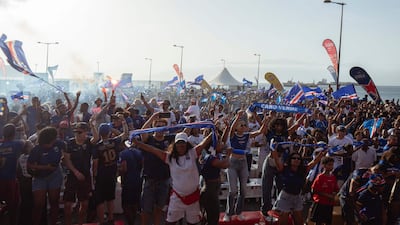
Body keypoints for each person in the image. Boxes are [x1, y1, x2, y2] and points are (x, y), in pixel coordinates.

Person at [130, 132, 212, 225]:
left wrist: (213, 131)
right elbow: (152, 149)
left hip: (193, 198)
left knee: (193, 223)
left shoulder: (193, 153)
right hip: (177, 198)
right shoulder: (170, 157)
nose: (181, 145)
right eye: (179, 143)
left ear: (187, 144)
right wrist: (137, 142)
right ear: (175, 144)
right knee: (170, 222)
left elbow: (204, 143)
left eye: (183, 143)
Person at [223, 110, 267, 221]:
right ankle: (228, 213)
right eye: (241, 125)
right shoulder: (233, 135)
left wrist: (264, 120)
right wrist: (238, 117)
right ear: (237, 127)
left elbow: (261, 131)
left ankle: (239, 212)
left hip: (243, 163)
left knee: (243, 190)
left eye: (244, 125)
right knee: (232, 190)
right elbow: (232, 129)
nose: (243, 126)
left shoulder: (247, 135)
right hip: (232, 163)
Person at [271, 147, 326, 225]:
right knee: (283, 221)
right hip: (285, 197)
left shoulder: (303, 170)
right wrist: (273, 149)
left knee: (299, 221)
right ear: (290, 160)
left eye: (298, 158)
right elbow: (276, 159)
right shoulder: (284, 169)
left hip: (297, 197)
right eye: (294, 158)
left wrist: (322, 153)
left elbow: (314, 161)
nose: (296, 160)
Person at [139, 112, 174, 225]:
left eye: (162, 126)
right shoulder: (148, 139)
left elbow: (185, 133)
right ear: (154, 128)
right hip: (150, 179)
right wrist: (152, 117)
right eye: (157, 126)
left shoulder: (169, 139)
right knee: (146, 209)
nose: (160, 129)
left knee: (159, 208)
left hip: (164, 179)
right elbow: (142, 131)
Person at [92, 116, 128, 224]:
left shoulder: (97, 146)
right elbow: (125, 134)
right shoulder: (114, 141)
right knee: (110, 198)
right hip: (112, 173)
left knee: (100, 200)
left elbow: (95, 163)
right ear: (109, 132)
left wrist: (94, 176)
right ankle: (111, 218)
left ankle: (102, 221)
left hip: (101, 175)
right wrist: (123, 121)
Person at [62, 121, 99, 225]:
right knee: (68, 204)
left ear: (85, 132)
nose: (77, 134)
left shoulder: (88, 142)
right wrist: (75, 172)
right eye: (75, 132)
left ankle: (80, 222)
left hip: (85, 175)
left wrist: (92, 125)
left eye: (80, 132)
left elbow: (96, 138)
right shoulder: (69, 143)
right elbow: (67, 160)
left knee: (84, 203)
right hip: (72, 175)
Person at [27, 126, 65, 225]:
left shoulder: (58, 144)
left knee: (54, 201)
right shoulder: (37, 149)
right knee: (38, 204)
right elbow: (30, 164)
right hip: (40, 177)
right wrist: (45, 167)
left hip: (55, 175)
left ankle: (53, 222)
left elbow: (67, 150)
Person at [199, 141, 231, 225]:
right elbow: (225, 165)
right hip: (210, 190)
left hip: (212, 189)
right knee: (213, 216)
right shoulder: (210, 158)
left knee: (210, 215)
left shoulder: (212, 156)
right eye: (219, 143)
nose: (221, 144)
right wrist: (228, 155)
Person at [0, 124, 25, 225]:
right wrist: (21, 132)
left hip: (2, 179)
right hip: (10, 179)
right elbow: (25, 141)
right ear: (14, 134)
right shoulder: (17, 144)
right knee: (13, 206)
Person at [118, 143, 143, 225]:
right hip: (138, 179)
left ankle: (130, 222)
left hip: (128, 180)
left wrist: (121, 179)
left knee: (126, 204)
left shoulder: (123, 153)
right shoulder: (139, 152)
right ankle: (133, 220)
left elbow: (123, 168)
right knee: (135, 202)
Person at [310, 156, 339, 225]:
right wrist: (327, 195)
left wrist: (335, 196)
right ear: (324, 165)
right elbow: (313, 190)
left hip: (329, 204)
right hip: (320, 203)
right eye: (329, 164)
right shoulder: (320, 177)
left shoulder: (333, 177)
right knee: (318, 221)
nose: (331, 166)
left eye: (332, 165)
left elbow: (336, 189)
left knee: (328, 221)